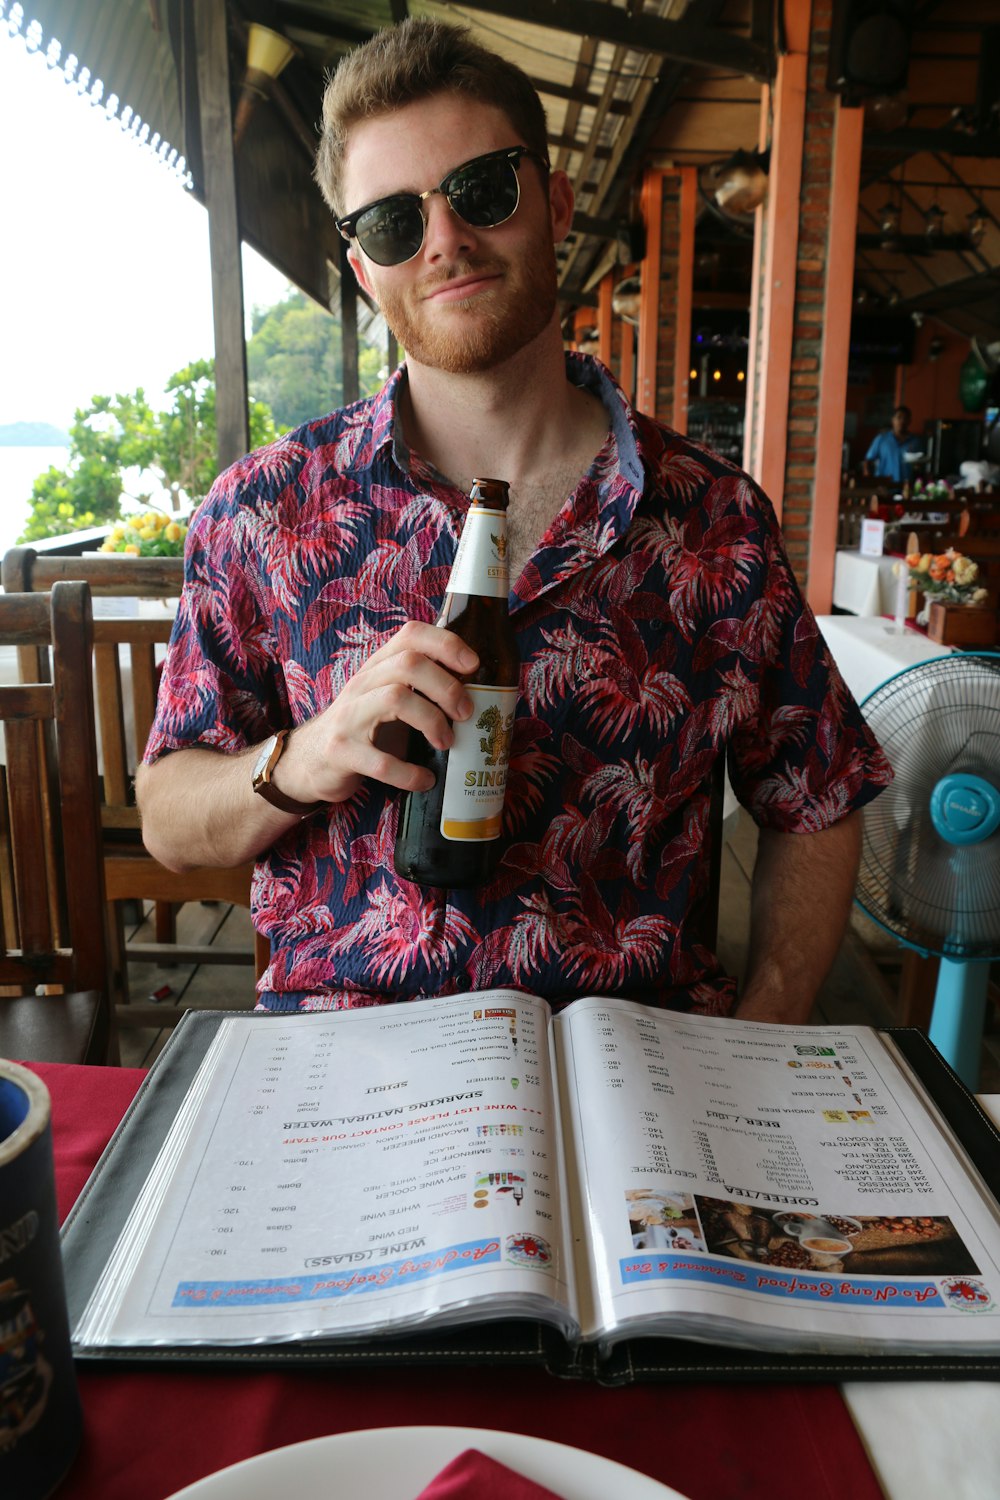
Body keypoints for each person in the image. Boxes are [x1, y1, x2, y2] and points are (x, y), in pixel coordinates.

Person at [137, 18, 891, 1023]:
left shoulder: (714, 517)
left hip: (638, 1076)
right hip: (350, 1077)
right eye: (395, 223)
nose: (444, 239)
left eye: (482, 190)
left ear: (556, 202)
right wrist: (304, 756)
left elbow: (818, 793)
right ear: (364, 267)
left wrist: (769, 1022)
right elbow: (170, 818)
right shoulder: (263, 512)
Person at [864, 405, 923, 482]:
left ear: (909, 421)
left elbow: (920, 465)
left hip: (906, 486)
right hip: (884, 486)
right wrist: (870, 481)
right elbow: (868, 461)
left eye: (905, 418)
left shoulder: (915, 441)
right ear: (893, 420)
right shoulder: (881, 439)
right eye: (899, 417)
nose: (902, 421)